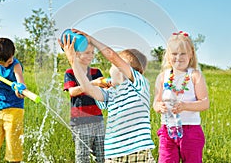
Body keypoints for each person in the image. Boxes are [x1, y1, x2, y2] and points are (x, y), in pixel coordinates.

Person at [59, 29, 156, 163]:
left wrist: (91, 39)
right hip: (113, 156)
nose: (110, 67)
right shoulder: (111, 92)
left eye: (113, 65)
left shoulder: (139, 85)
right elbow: (87, 87)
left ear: (123, 68)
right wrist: (73, 61)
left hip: (137, 152)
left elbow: (111, 55)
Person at [153, 31, 209, 163]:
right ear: (168, 56)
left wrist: (185, 106)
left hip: (191, 130)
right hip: (167, 130)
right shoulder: (162, 77)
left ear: (190, 54)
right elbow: (156, 101)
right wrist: (158, 106)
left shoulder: (195, 75)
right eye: (174, 53)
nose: (178, 57)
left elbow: (205, 103)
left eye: (183, 53)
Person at [63, 42, 109, 163]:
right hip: (80, 121)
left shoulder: (96, 72)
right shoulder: (70, 72)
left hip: (98, 119)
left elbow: (104, 91)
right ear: (77, 54)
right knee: (82, 156)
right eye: (87, 53)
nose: (91, 55)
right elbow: (72, 92)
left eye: (93, 52)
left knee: (102, 155)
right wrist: (93, 83)